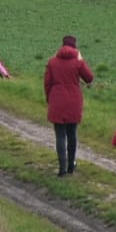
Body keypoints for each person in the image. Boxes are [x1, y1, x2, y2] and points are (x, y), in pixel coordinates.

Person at [43, 34, 94, 176]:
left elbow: (47, 83)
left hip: (57, 100)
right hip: (74, 101)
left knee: (60, 136)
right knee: (72, 135)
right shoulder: (77, 62)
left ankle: (62, 167)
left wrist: (49, 98)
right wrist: (81, 60)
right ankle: (71, 165)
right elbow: (89, 77)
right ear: (75, 47)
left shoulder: (52, 62)